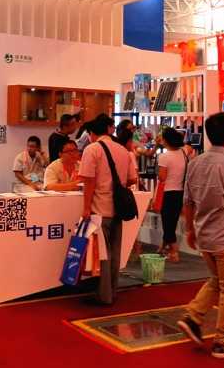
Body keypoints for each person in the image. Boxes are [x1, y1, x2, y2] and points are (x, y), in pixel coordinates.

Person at [177, 112, 224, 359]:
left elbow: (187, 201)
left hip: (205, 235)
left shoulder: (195, 163)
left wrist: (190, 230)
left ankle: (193, 316)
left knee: (217, 280)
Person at [79, 116, 138, 305]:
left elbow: (88, 181)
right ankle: (112, 292)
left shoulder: (92, 149)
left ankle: (104, 296)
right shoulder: (122, 150)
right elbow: (132, 179)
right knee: (115, 251)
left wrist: (86, 208)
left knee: (103, 254)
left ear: (92, 133)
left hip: (100, 207)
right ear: (108, 129)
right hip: (118, 209)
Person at [157, 128, 190, 263]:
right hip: (180, 192)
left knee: (167, 222)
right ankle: (163, 246)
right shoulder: (183, 152)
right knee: (172, 220)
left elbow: (162, 177)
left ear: (166, 140)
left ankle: (174, 251)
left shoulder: (164, 157)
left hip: (168, 192)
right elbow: (190, 148)